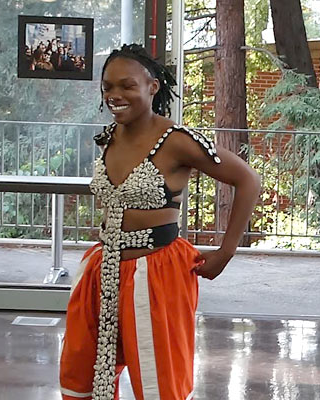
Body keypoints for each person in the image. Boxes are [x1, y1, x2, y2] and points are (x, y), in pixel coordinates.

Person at [59, 43, 261, 400]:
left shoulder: (177, 141)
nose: (115, 95)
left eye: (127, 85)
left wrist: (226, 251)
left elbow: (247, 179)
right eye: (107, 87)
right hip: (101, 270)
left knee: (160, 381)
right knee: (84, 373)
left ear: (152, 87)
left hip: (157, 273)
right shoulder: (108, 138)